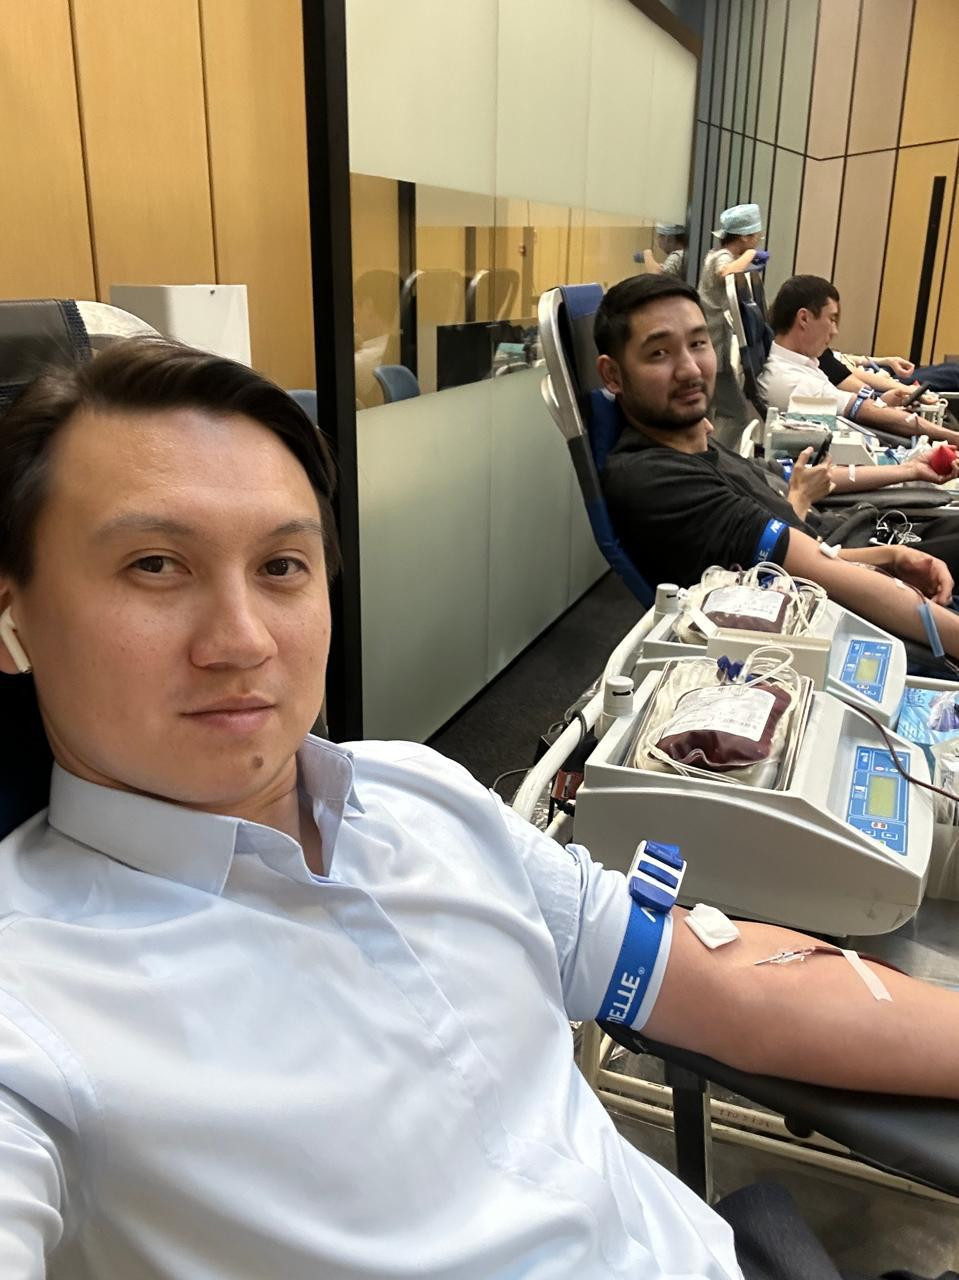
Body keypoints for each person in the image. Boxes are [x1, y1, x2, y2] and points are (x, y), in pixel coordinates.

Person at [1, 338, 957, 1280]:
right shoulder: (31, 1009)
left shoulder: (417, 792)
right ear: (13, 619)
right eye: (154, 565)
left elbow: (715, 976)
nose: (243, 640)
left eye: (282, 566)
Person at [597, 274, 959, 660]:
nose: (690, 369)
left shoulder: (694, 441)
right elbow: (813, 568)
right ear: (613, 375)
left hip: (857, 549)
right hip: (845, 601)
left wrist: (896, 527)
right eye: (659, 353)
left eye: (698, 343)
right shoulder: (659, 481)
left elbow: (806, 516)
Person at [758, 276, 959, 446]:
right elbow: (864, 410)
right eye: (832, 319)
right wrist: (953, 438)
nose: (835, 331)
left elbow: (861, 407)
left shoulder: (800, 363)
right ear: (804, 318)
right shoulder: (794, 381)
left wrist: (882, 402)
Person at [697, 203, 766, 370]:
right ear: (744, 237)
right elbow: (726, 272)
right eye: (757, 236)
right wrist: (750, 255)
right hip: (714, 329)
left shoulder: (724, 255)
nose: (758, 241)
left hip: (718, 329)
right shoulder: (722, 256)